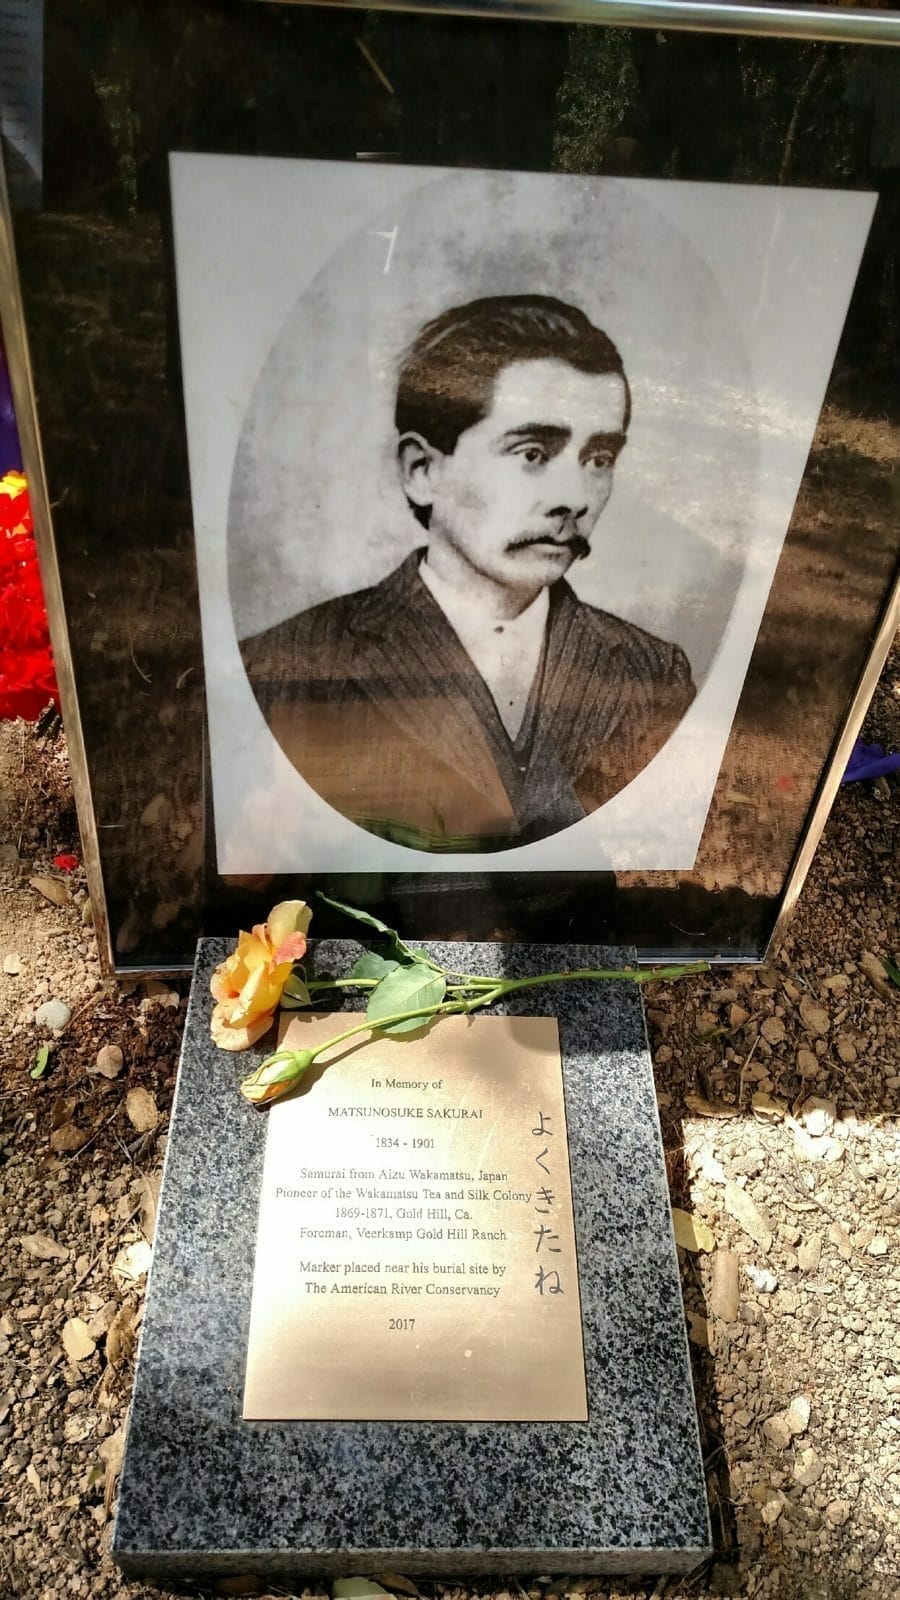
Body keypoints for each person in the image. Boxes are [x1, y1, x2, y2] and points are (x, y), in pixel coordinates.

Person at [240, 294, 695, 852]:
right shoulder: (281, 668)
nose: (575, 498)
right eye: (532, 453)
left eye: (599, 459)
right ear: (422, 470)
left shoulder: (654, 674)